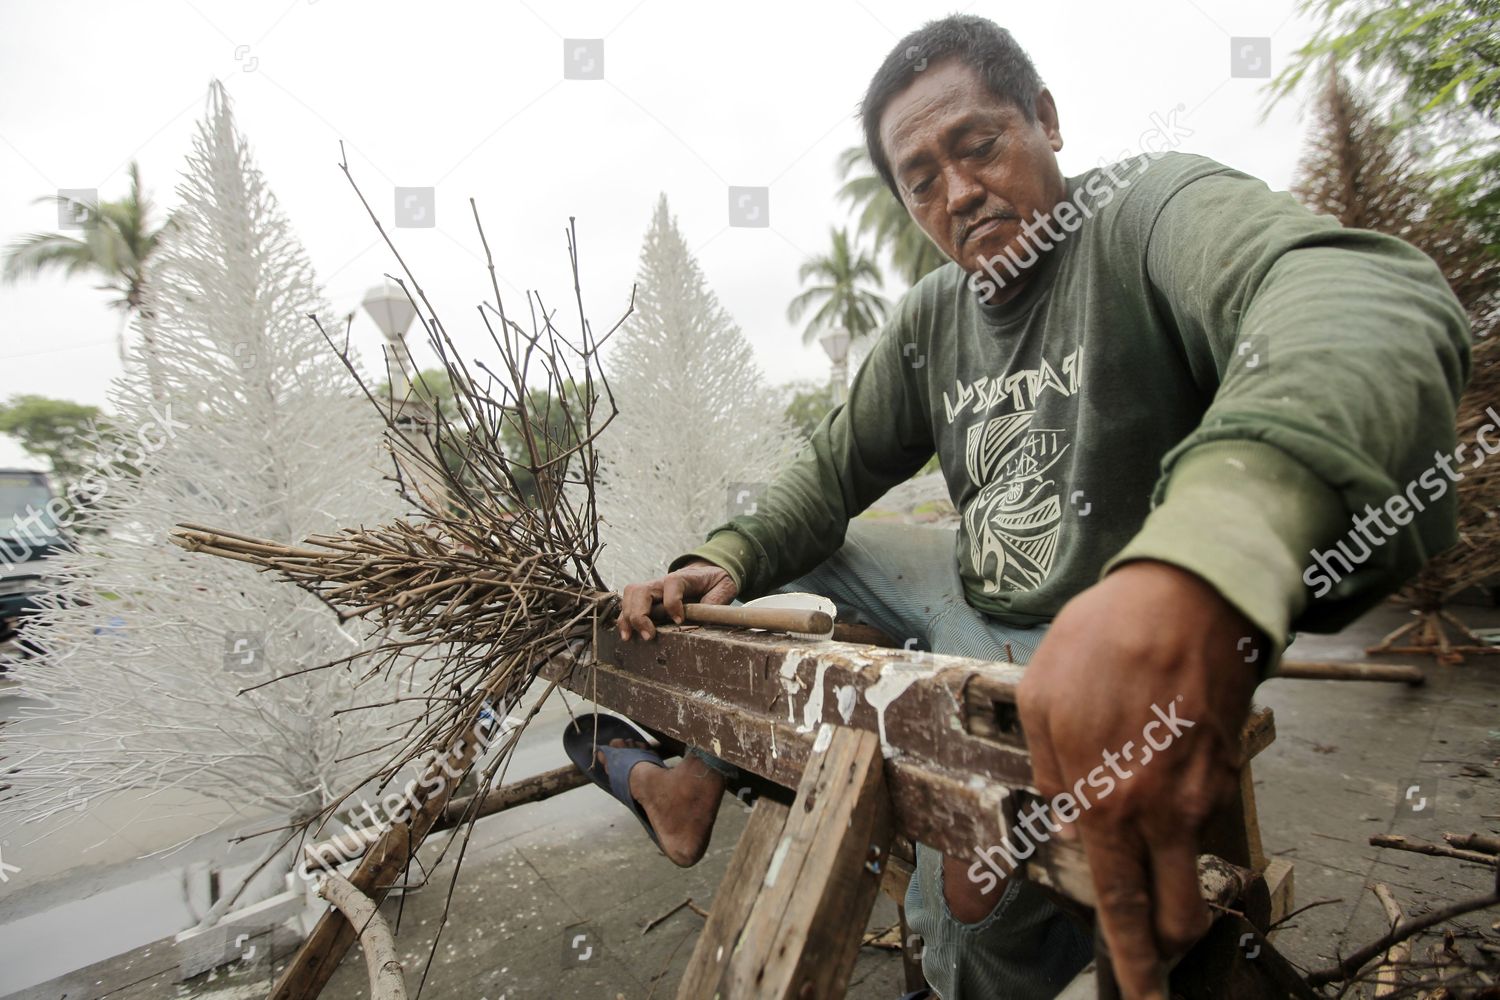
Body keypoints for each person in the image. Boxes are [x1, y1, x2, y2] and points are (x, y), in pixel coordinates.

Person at [582, 14, 1471, 1000]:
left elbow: (1353, 294)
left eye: (980, 145)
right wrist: (732, 550)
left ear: (1044, 118)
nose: (959, 192)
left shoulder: (1145, 213)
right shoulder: (932, 319)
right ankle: (694, 780)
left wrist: (1203, 558)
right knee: (779, 564)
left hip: (1102, 625)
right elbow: (831, 469)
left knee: (969, 917)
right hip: (970, 588)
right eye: (922, 179)